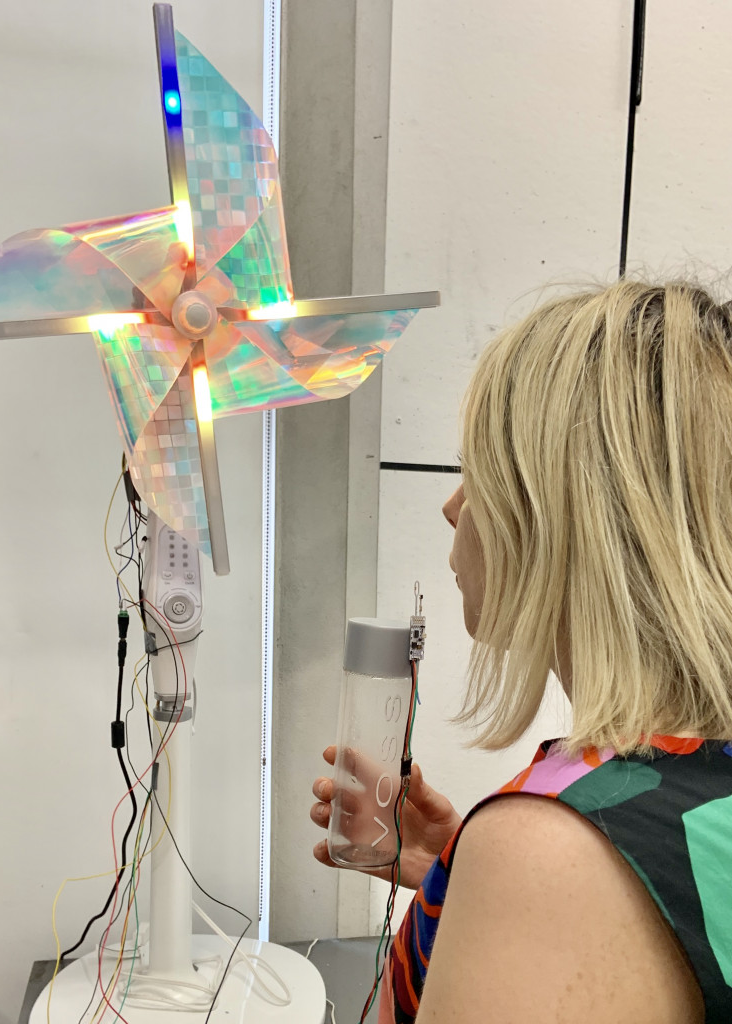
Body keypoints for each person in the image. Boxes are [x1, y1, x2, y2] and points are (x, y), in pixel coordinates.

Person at [310, 280, 732, 1023]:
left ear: (553, 508)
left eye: (476, 466)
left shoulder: (555, 852)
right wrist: (457, 880)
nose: (450, 505)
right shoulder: (679, 786)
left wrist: (527, 872)